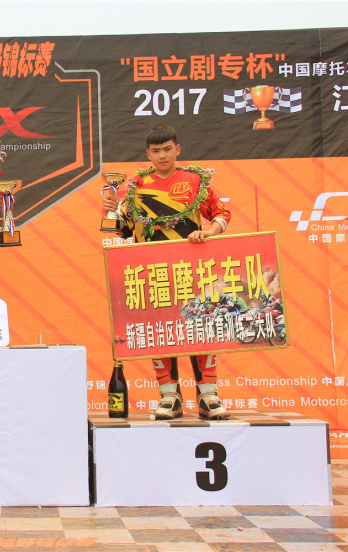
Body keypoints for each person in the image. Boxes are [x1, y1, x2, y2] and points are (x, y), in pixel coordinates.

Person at [101, 125, 232, 420]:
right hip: (151, 272)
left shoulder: (194, 180)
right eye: (156, 151)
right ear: (148, 154)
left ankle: (208, 395)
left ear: (178, 149)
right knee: (160, 330)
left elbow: (221, 213)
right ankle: (169, 396)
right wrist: (110, 210)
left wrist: (209, 231)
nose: (162, 156)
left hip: (193, 270)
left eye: (167, 149)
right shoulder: (135, 187)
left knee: (201, 326)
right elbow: (123, 230)